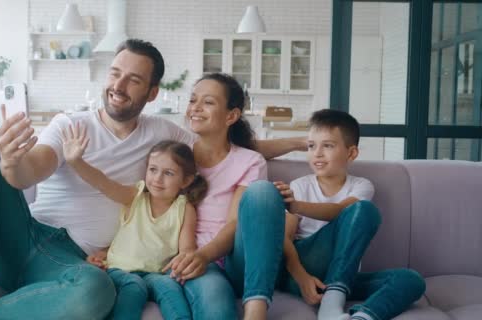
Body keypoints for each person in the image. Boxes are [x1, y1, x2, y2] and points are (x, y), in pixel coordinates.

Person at [0, 39, 303, 320]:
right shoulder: (70, 124)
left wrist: (303, 146)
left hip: (69, 262)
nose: (118, 85)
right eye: (115, 73)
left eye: (133, 79)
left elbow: (225, 146)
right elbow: (32, 169)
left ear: (152, 93)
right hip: (23, 234)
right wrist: (10, 162)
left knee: (95, 292)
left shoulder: (166, 135)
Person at [163, 73, 292, 320]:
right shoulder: (177, 159)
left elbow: (234, 224)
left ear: (231, 116)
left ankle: (256, 308)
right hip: (196, 262)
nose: (196, 108)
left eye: (208, 102)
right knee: (216, 310)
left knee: (263, 192)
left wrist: (204, 254)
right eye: (193, 100)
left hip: (238, 260)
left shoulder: (250, 160)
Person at [275, 109, 426, 320]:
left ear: (351, 153)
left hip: (342, 277)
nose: (317, 153)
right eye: (311, 146)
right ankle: (330, 306)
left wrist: (297, 206)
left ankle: (362, 316)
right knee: (363, 210)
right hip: (303, 270)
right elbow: (284, 238)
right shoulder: (300, 186)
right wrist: (302, 278)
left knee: (412, 280)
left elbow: (341, 211)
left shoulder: (362, 186)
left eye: (327, 145)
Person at [61, 129, 206, 320]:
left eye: (168, 173)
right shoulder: (135, 197)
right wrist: (76, 162)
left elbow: (187, 248)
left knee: (170, 288)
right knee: (134, 286)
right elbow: (104, 183)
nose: (157, 179)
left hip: (157, 273)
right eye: (153, 170)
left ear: (186, 180)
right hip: (119, 270)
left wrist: (185, 262)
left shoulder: (184, 208)